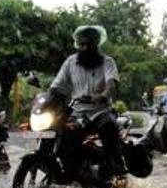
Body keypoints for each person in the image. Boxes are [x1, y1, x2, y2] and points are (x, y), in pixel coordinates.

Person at [47, 25, 123, 176]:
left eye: (90, 44)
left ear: (97, 44)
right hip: (78, 113)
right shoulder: (70, 62)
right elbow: (56, 86)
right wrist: (46, 97)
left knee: (109, 127)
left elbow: (111, 85)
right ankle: (74, 169)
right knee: (62, 135)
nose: (86, 47)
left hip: (101, 111)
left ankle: (114, 167)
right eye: (82, 44)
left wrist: (102, 95)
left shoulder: (107, 62)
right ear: (78, 44)